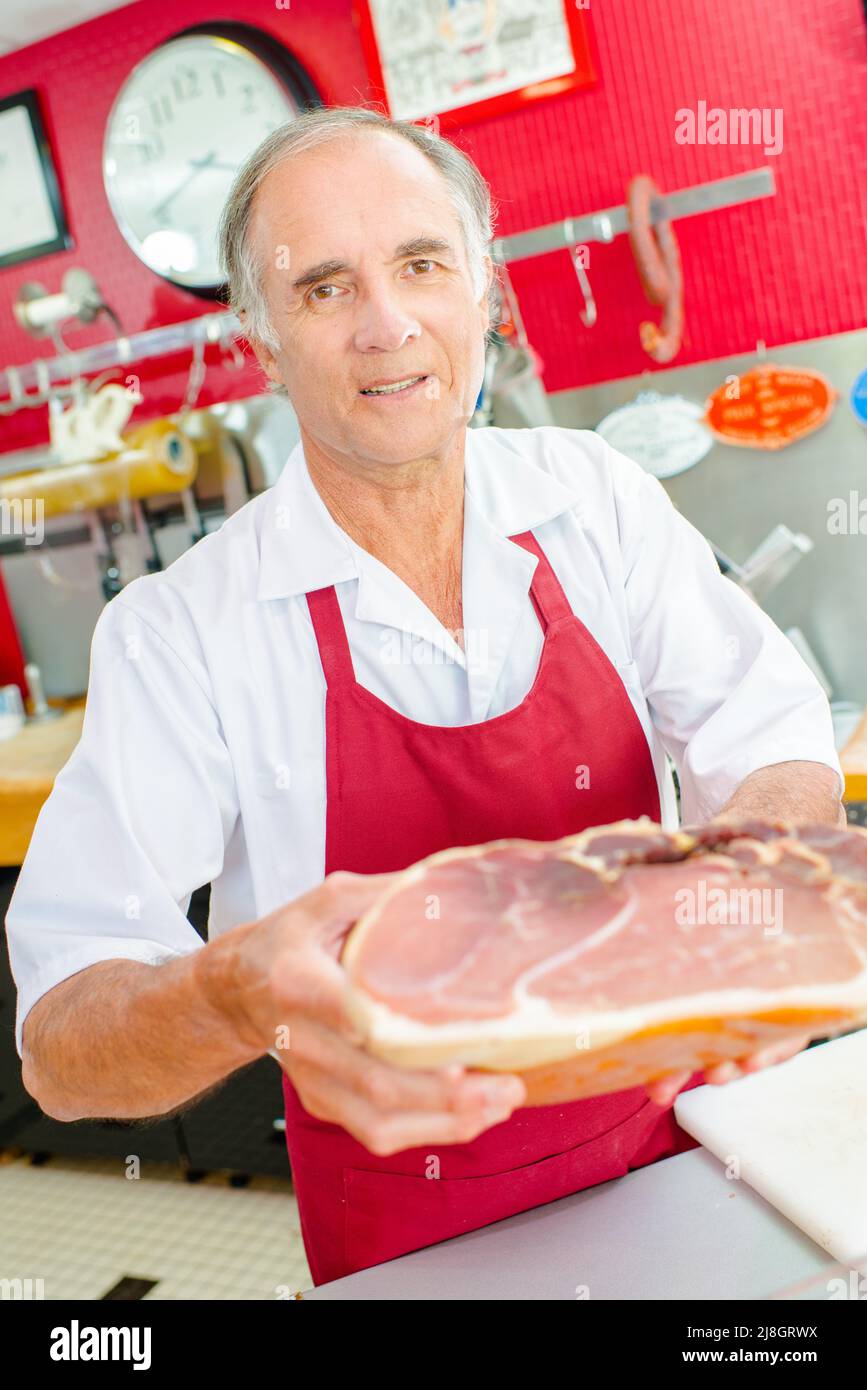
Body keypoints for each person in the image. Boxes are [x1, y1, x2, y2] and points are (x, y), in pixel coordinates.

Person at [6, 107, 844, 1287]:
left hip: (689, 1151)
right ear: (261, 336)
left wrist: (757, 903)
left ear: (484, 287)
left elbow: (772, 738)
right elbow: (63, 1046)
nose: (387, 326)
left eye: (420, 264)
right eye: (325, 287)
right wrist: (233, 994)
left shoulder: (594, 496)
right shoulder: (178, 633)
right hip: (415, 1232)